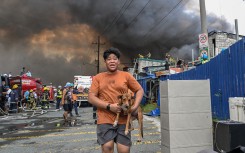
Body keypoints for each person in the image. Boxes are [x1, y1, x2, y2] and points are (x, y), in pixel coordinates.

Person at [88, 47, 144, 153]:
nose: (112, 61)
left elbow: (140, 90)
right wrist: (109, 106)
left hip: (123, 120)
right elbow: (91, 98)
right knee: (107, 147)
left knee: (124, 150)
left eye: (115, 58)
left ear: (118, 61)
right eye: (109, 59)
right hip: (105, 118)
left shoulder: (126, 76)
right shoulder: (98, 77)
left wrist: (135, 106)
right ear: (105, 62)